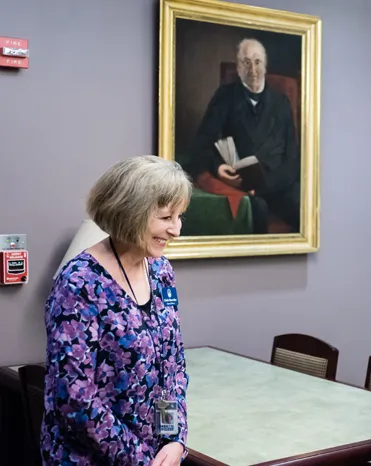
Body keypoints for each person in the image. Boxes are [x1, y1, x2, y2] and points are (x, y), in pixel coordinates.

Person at [41, 155, 192, 466]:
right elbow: (75, 399)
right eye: (166, 218)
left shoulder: (161, 271)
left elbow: (172, 368)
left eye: (180, 217)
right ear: (131, 212)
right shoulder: (79, 283)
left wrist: (175, 439)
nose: (176, 230)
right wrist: (140, 459)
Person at [187, 37, 301, 234]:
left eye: (257, 62)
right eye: (246, 62)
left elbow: (293, 159)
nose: (253, 69)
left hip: (278, 184)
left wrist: (267, 187)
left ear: (265, 65)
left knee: (303, 209)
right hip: (241, 184)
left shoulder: (281, 103)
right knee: (256, 210)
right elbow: (201, 144)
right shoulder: (225, 97)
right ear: (238, 67)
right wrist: (218, 167)